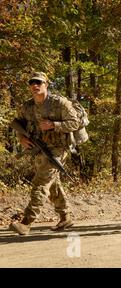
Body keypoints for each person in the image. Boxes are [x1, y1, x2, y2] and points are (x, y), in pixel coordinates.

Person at [9, 72, 78, 235]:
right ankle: (65, 217)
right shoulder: (27, 106)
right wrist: (21, 138)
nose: (35, 85)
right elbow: (18, 123)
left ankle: (26, 222)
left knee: (40, 182)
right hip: (39, 148)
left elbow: (75, 123)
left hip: (58, 148)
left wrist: (53, 125)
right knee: (52, 184)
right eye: (32, 83)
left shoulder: (59, 103)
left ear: (46, 84)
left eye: (39, 82)